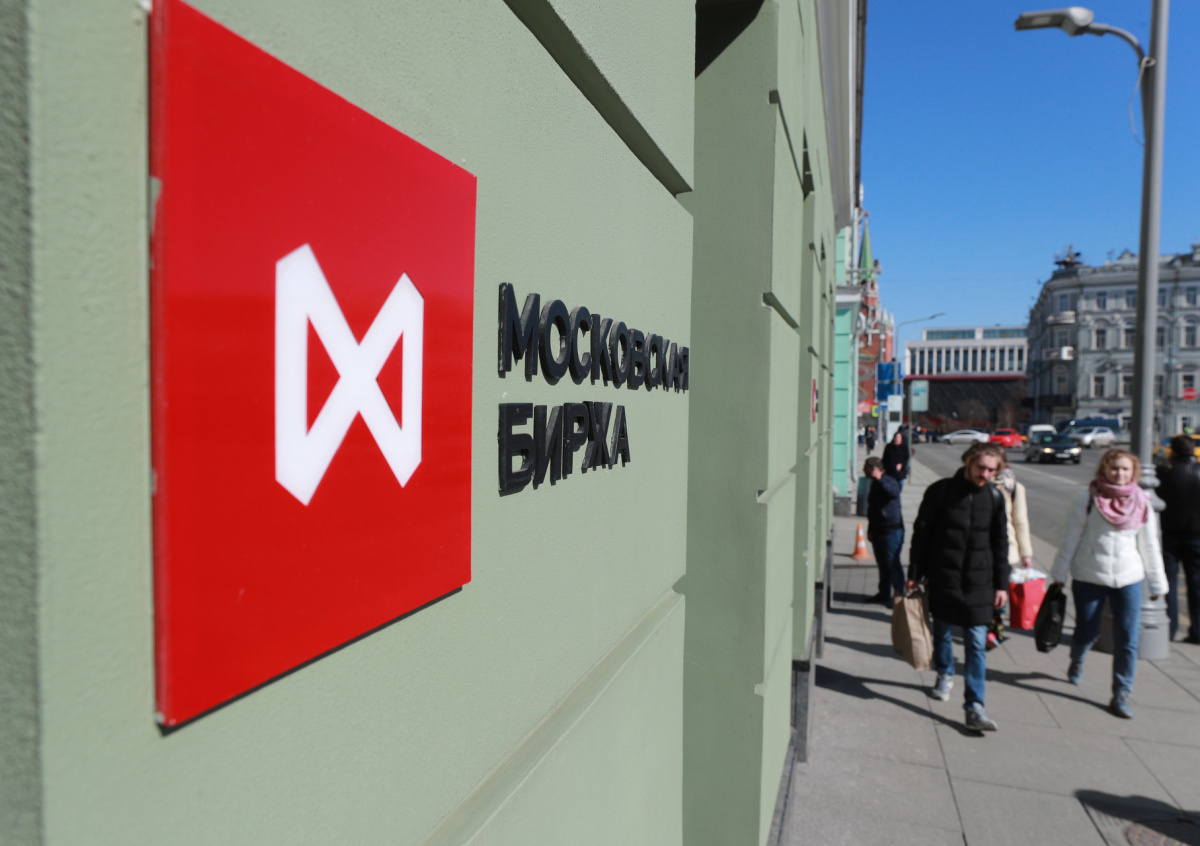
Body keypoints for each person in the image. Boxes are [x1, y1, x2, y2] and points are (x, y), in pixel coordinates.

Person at [1051, 449, 1168, 719]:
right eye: (1115, 468)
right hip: (1089, 574)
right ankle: (1077, 658)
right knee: (1087, 630)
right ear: (1104, 469)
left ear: (1133, 472)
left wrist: (1157, 584)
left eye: (1125, 469)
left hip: (1129, 577)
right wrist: (1059, 574)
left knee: (1128, 637)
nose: (1120, 473)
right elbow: (1071, 537)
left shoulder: (1141, 501)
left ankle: (1121, 692)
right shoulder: (1087, 498)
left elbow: (1150, 545)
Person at [907, 442, 1009, 732]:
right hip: (943, 577)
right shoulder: (940, 492)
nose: (985, 474)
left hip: (980, 582)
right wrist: (915, 572)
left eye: (992, 470)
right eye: (981, 467)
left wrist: (1001, 585)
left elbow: (1000, 543)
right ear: (968, 462)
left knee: (976, 644)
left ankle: (975, 706)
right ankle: (945, 672)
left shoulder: (995, 498)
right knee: (942, 633)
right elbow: (922, 534)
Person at [1155, 436, 1200, 644]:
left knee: (1170, 583)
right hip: (1197, 537)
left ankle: (1169, 629)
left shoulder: (1165, 473)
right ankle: (1197, 631)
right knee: (1196, 585)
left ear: (1172, 452)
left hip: (1171, 535)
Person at [863, 457, 904, 605]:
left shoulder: (888, 481)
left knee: (893, 564)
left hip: (891, 531)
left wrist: (879, 479)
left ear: (874, 469)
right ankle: (883, 593)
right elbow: (872, 509)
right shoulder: (875, 484)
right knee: (883, 565)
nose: (863, 470)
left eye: (866, 468)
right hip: (878, 530)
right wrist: (870, 529)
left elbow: (893, 493)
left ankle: (900, 597)